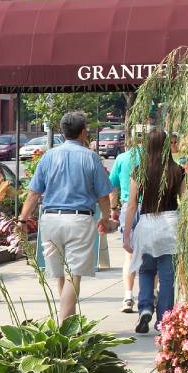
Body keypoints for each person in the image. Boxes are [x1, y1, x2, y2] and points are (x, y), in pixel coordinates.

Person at [18, 111, 116, 320]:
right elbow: (103, 196)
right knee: (74, 276)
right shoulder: (90, 157)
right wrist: (105, 218)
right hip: (79, 219)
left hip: (51, 219)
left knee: (60, 275)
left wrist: (22, 219)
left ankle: (67, 323)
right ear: (83, 132)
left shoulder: (48, 156)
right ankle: (64, 324)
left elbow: (34, 193)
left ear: (63, 132)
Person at [121, 129, 184, 334]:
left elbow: (131, 205)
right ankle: (164, 319)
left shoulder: (139, 171)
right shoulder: (178, 171)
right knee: (167, 276)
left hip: (147, 224)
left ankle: (145, 308)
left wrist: (127, 234)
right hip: (171, 224)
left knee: (146, 270)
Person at [108, 133, 143, 313]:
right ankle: (151, 294)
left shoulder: (122, 158)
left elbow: (113, 185)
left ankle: (128, 297)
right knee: (150, 254)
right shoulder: (155, 156)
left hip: (128, 207)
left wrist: (113, 208)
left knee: (129, 254)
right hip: (151, 209)